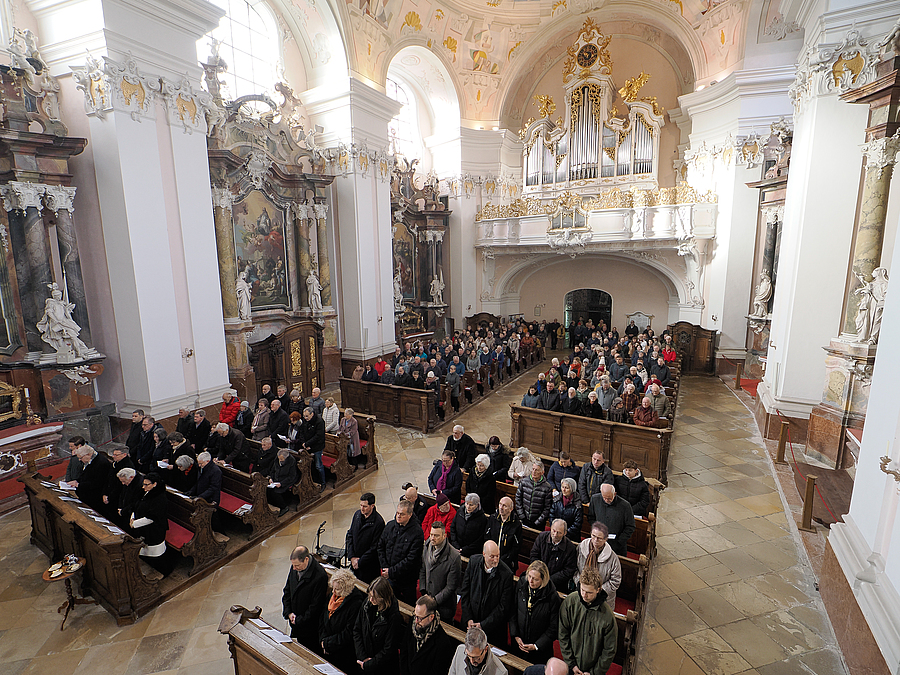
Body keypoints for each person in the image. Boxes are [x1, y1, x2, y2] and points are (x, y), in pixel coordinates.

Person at [559, 569, 618, 675]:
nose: (584, 595)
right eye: (582, 590)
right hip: (571, 665)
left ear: (598, 590)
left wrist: (594, 672)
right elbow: (563, 634)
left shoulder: (607, 615)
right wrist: (571, 663)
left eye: (589, 592)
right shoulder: (570, 602)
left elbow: (609, 649)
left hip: (593, 668)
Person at [459, 540, 515, 647]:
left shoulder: (506, 574)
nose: (496, 559)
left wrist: (483, 625)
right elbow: (465, 591)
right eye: (492, 556)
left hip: (492, 629)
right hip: (470, 622)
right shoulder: (473, 562)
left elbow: (503, 607)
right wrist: (468, 618)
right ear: (484, 554)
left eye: (498, 555)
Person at [509, 561, 561, 664]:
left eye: (536, 579)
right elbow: (513, 610)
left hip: (540, 651)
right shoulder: (521, 585)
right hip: (519, 644)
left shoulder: (552, 597)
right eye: (529, 576)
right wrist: (515, 635)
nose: (531, 581)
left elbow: (554, 628)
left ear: (543, 580)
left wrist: (536, 646)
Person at [320, 569, 367, 674]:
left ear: (345, 589)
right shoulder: (333, 596)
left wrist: (328, 643)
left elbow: (349, 632)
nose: (333, 592)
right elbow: (323, 618)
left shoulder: (355, 604)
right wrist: (323, 640)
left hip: (343, 653)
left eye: (337, 589)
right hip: (327, 646)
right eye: (333, 588)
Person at [376, 500, 423, 604]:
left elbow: (411, 559)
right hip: (389, 576)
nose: (398, 516)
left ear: (410, 515)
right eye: (397, 513)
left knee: (408, 604)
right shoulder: (390, 526)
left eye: (402, 514)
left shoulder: (417, 532)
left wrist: (391, 571)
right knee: (389, 602)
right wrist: (385, 568)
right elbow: (380, 546)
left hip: (407, 580)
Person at [353, 576, 403, 675]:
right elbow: (357, 630)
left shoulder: (393, 616)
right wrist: (362, 657)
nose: (371, 599)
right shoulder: (367, 605)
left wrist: (371, 663)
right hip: (363, 661)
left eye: (375, 597)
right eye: (370, 595)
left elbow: (389, 648)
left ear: (383, 597)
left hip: (382, 667)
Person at [282, 545, 328, 649]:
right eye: (293, 565)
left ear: (306, 559)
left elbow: (316, 606)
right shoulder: (294, 568)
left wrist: (299, 620)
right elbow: (287, 591)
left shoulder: (320, 576)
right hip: (296, 619)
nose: (294, 568)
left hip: (309, 627)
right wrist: (289, 612)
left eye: (297, 565)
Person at [400, 595, 457, 675]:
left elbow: (436, 672)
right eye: (415, 615)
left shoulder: (442, 643)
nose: (416, 621)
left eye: (420, 618)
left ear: (431, 617)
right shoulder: (413, 623)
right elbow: (404, 651)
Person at [419, 520, 462, 621]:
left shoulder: (454, 557)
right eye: (431, 534)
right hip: (427, 596)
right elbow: (423, 568)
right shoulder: (427, 545)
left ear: (444, 536)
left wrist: (434, 600)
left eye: (436, 535)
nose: (432, 538)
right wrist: (423, 590)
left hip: (444, 606)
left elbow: (451, 586)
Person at [575, 521, 621, 610]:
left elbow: (615, 581)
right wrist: (581, 585)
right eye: (593, 536)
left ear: (605, 539)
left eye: (599, 538)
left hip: (602, 598)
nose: (595, 540)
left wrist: (597, 590)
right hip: (582, 592)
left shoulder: (612, 558)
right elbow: (574, 568)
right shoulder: (581, 548)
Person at [130, 471, 170, 563]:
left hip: (154, 529)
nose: (143, 487)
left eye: (146, 485)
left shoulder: (160, 498)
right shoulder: (145, 492)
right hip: (141, 526)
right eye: (143, 484)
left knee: (154, 555)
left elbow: (153, 517)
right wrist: (132, 517)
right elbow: (136, 505)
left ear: (155, 484)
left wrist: (135, 523)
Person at [347, 492, 386, 583]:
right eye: (361, 505)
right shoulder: (357, 515)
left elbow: (375, 547)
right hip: (355, 562)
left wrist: (359, 562)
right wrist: (352, 557)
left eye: (365, 506)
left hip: (368, 566)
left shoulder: (379, 523)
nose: (362, 508)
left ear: (372, 506)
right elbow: (350, 535)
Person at [530, 519, 578, 591]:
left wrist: (548, 579)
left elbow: (568, 571)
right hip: (538, 576)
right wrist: (540, 574)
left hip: (556, 584)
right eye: (554, 531)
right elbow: (534, 555)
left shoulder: (570, 548)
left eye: (559, 533)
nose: (555, 535)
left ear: (565, 533)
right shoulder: (542, 537)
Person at [588, 484, 635, 557]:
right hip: (598, 543)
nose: (606, 500)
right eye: (604, 498)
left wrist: (619, 541)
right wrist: (597, 533)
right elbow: (591, 518)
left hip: (617, 545)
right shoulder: (595, 499)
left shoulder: (625, 506)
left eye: (609, 498)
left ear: (615, 494)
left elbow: (630, 526)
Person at [485, 495, 522, 572]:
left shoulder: (516, 524)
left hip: (507, 562)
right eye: (500, 504)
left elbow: (516, 547)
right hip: (490, 559)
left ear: (511, 509)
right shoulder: (493, 518)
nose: (501, 508)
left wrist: (501, 560)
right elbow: (487, 537)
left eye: (504, 506)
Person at [516, 462, 553, 530]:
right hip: (524, 518)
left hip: (538, 523)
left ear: (542, 472)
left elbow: (547, 508)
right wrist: (522, 516)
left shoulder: (547, 487)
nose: (534, 472)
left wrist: (538, 521)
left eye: (536, 470)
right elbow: (518, 499)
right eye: (533, 469)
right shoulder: (524, 482)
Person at [73, 446, 111, 512]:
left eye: (80, 458)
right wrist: (77, 481)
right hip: (86, 495)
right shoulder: (90, 460)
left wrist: (79, 485)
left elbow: (98, 483)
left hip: (95, 498)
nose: (79, 460)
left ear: (88, 454)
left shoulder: (101, 463)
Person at [451, 492, 489, 557]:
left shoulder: (482, 519)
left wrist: (464, 550)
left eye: (471, 505)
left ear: (477, 505)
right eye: (467, 503)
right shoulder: (460, 511)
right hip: (456, 548)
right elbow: (453, 527)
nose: (468, 507)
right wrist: (455, 545)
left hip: (471, 552)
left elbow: (480, 539)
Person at [300, 407, 327, 489]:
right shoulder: (305, 420)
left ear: (312, 414)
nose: (305, 418)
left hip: (317, 446)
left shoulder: (319, 421)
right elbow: (301, 432)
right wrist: (304, 443)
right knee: (310, 465)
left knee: (318, 466)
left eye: (307, 416)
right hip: (307, 446)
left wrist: (308, 444)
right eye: (304, 416)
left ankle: (323, 483)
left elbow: (318, 436)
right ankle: (313, 481)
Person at [267, 449, 298, 515]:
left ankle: (284, 507)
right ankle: (272, 506)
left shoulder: (291, 461)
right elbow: (272, 470)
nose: (280, 461)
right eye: (279, 459)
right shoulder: (277, 458)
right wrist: (271, 478)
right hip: (276, 478)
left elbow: (292, 476)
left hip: (286, 480)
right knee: (267, 489)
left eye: (281, 459)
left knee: (276, 492)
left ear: (286, 458)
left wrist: (281, 484)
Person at [103, 446, 133, 514]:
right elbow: (108, 478)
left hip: (116, 497)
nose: (113, 456)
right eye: (113, 454)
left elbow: (120, 486)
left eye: (116, 455)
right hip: (109, 493)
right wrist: (104, 493)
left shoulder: (127, 466)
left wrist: (110, 497)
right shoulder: (115, 463)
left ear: (124, 455)